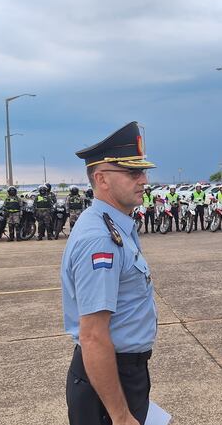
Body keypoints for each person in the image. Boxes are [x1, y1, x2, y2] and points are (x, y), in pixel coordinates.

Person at [63, 121, 157, 425]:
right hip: (109, 381)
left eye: (143, 171)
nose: (144, 179)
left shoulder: (115, 225)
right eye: (133, 173)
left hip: (123, 375)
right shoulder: (100, 239)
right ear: (101, 179)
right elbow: (92, 336)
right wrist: (120, 415)